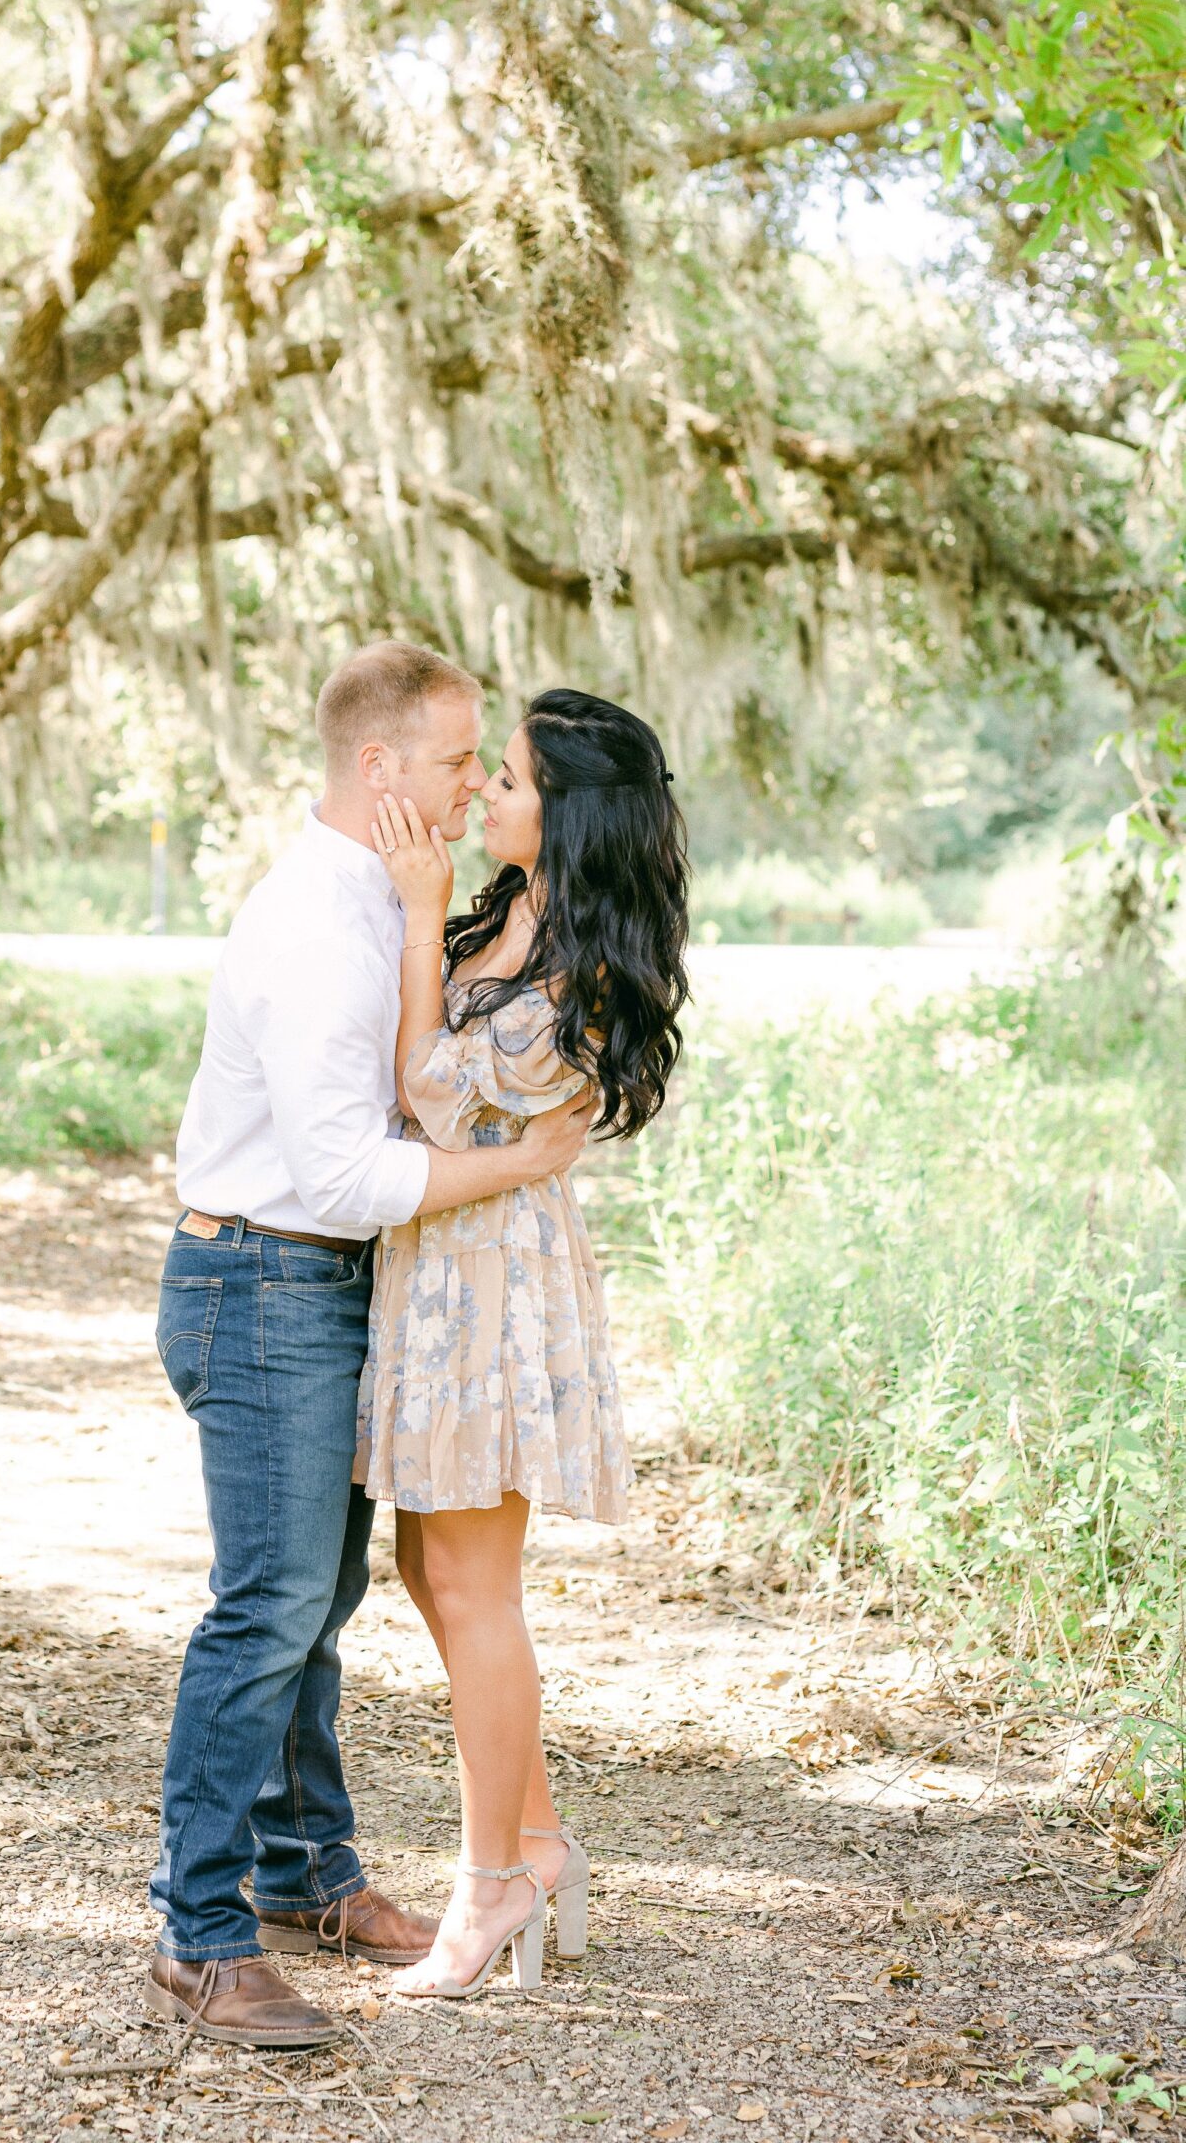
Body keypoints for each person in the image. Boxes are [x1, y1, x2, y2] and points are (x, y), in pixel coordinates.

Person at [146, 644, 596, 2050]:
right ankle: (200, 1938)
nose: (476, 787)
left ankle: (306, 1874)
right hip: (267, 1282)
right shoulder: (313, 929)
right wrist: (525, 1164)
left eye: (485, 766)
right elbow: (347, 1177)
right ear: (380, 767)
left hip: (331, 1291)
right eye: (463, 760)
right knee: (269, 1609)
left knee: (318, 1605)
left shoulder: (395, 908)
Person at [354, 687, 690, 1999]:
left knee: (476, 1589)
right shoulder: (521, 922)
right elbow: (456, 1114)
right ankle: (538, 1847)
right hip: (446, 1266)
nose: (484, 796)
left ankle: (486, 1890)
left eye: (507, 780)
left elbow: (427, 1097)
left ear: (570, 813)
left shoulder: (582, 961)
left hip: (494, 1290)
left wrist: (422, 923)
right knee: (433, 1574)